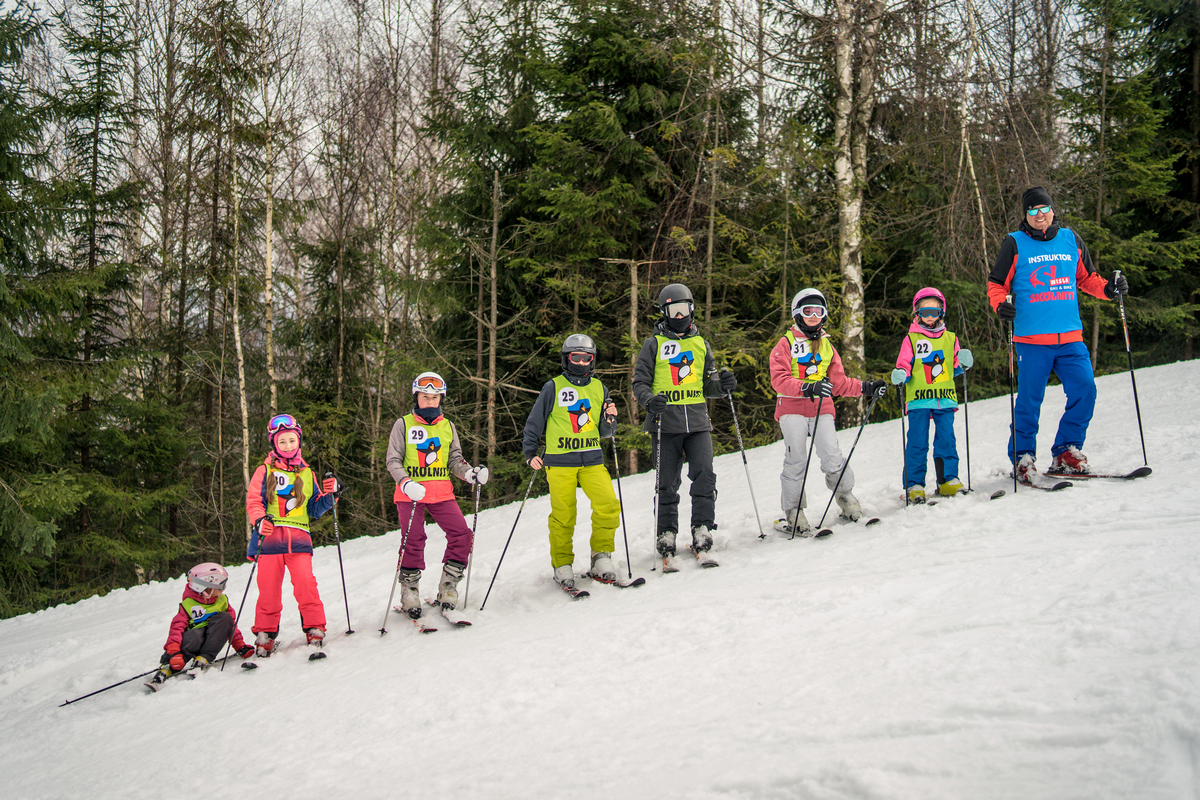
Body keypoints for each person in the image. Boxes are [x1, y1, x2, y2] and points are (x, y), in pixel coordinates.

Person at [988, 186, 1130, 481]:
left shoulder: (1070, 239)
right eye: (1033, 211)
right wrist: (1001, 304)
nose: (1039, 216)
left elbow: (1087, 278)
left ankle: (1066, 450)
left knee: (1085, 390)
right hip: (1032, 340)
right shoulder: (1014, 243)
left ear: (1052, 210)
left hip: (1069, 338)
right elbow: (996, 283)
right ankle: (1023, 457)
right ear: (1026, 216)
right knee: (1029, 400)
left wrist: (1108, 289)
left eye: (1044, 209)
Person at [633, 283, 736, 567]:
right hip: (665, 424)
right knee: (667, 481)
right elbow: (639, 382)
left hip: (698, 423)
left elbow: (709, 385)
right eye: (672, 311)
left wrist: (723, 386)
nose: (679, 316)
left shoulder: (701, 344)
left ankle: (702, 527)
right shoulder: (653, 344)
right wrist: (649, 401)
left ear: (691, 309)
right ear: (664, 312)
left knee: (704, 475)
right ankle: (666, 532)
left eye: (683, 309)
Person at [769, 288, 888, 534]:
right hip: (791, 410)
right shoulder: (785, 343)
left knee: (832, 455)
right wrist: (806, 386)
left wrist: (866, 387)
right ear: (797, 315)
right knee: (796, 459)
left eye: (818, 311)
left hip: (822, 409)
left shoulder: (827, 346)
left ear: (824, 316)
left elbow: (839, 383)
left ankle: (846, 498)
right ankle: (794, 512)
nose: (813, 316)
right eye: (807, 311)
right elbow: (779, 380)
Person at [522, 334, 621, 590]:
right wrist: (530, 452)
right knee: (564, 514)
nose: (581, 362)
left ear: (592, 360)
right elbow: (535, 422)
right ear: (566, 359)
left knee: (608, 504)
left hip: (592, 459)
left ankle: (601, 555)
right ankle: (562, 563)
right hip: (559, 461)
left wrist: (611, 419)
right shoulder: (553, 387)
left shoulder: (600, 388)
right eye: (575, 357)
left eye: (586, 358)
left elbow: (605, 430)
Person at [385, 372, 489, 617]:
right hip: (410, 494)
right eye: (425, 397)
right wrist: (406, 482)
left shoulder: (447, 425)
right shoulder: (403, 424)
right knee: (413, 539)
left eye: (434, 397)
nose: (430, 402)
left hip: (441, 491)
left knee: (461, 534)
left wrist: (470, 474)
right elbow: (392, 460)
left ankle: (449, 585)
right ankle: (409, 590)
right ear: (416, 398)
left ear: (441, 399)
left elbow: (454, 460)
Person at [245, 414, 340, 656]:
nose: (288, 446)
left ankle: (315, 627)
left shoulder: (307, 473)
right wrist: (259, 520)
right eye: (282, 442)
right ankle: (265, 634)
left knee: (306, 584)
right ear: (274, 444)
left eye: (291, 440)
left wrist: (331, 496)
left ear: (298, 441)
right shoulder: (264, 470)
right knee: (268, 589)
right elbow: (254, 501)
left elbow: (314, 508)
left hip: (299, 539)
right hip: (269, 539)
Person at [890, 287, 974, 503]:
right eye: (924, 312)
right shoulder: (911, 339)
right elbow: (905, 366)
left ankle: (947, 480)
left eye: (934, 312)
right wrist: (901, 374)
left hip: (945, 397)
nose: (929, 318)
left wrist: (963, 363)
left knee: (947, 439)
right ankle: (914, 484)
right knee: (918, 442)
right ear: (916, 314)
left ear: (942, 313)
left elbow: (954, 367)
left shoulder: (950, 338)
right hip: (919, 399)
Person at [147, 563, 254, 687]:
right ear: (207, 588)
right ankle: (169, 665)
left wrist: (240, 646)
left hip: (211, 641)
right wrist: (174, 652)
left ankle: (203, 658)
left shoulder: (222, 601)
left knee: (225, 618)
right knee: (194, 635)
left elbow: (230, 626)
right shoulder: (188, 605)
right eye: (221, 586)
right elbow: (176, 630)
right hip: (192, 642)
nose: (223, 590)